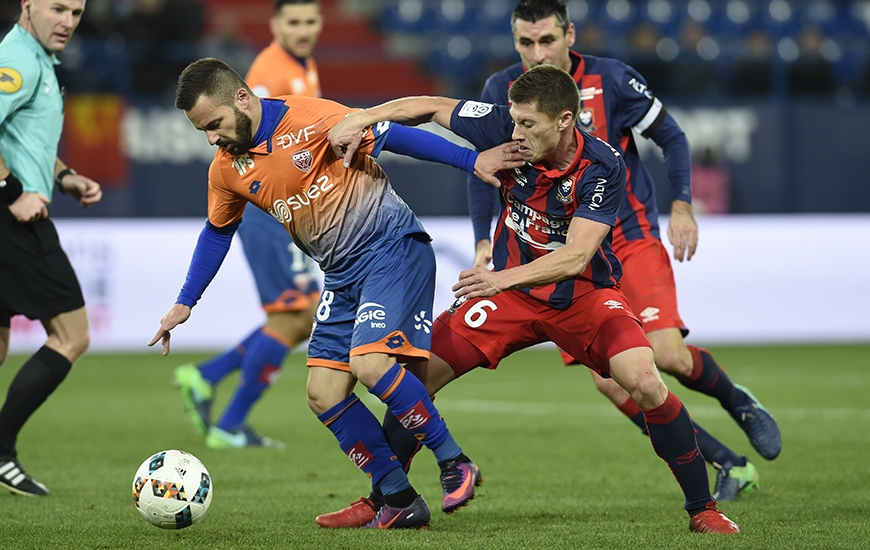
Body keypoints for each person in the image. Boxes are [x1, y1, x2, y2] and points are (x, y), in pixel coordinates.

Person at [323, 64, 740, 534]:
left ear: (565, 121)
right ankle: (388, 498)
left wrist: (499, 280)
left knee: (644, 381)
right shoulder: (504, 123)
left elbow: (577, 257)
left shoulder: (602, 165)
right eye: (514, 121)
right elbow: (431, 106)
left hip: (580, 295)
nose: (515, 133)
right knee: (413, 379)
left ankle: (703, 509)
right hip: (511, 298)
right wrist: (363, 118)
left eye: (528, 125)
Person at [149, 57, 523, 529]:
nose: (211, 139)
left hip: (392, 250)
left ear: (242, 98)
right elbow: (217, 232)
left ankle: (454, 462)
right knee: (323, 393)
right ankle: (398, 498)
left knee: (371, 366)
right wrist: (186, 301)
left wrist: (472, 160)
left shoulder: (312, 118)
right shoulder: (226, 169)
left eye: (214, 124)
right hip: (342, 275)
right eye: (202, 130)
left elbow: (393, 134)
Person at [466, 0, 779, 498]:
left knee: (666, 356)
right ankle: (727, 464)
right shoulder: (504, 93)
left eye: (546, 40)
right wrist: (484, 238)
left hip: (626, 237)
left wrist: (681, 205)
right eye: (525, 42)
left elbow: (671, 136)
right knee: (613, 382)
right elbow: (486, 169)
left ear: (569, 36)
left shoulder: (612, 79)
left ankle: (737, 399)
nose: (536, 52)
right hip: (565, 253)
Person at [173, 0, 326, 450]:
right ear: (274, 25)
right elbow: (241, 142)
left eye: (311, 21)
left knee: (298, 317)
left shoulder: (303, 64)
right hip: (269, 213)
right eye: (293, 22)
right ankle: (230, 420)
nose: (304, 30)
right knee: (295, 316)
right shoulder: (268, 74)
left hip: (285, 211)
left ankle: (208, 377)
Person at [0, 0, 102, 497]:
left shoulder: (36, 57)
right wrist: (12, 193)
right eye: (57, 8)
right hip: (13, 222)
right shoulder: (16, 60)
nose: (67, 22)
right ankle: (1, 452)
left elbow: (24, 137)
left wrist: (63, 176)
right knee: (72, 334)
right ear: (28, 6)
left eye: (77, 12)